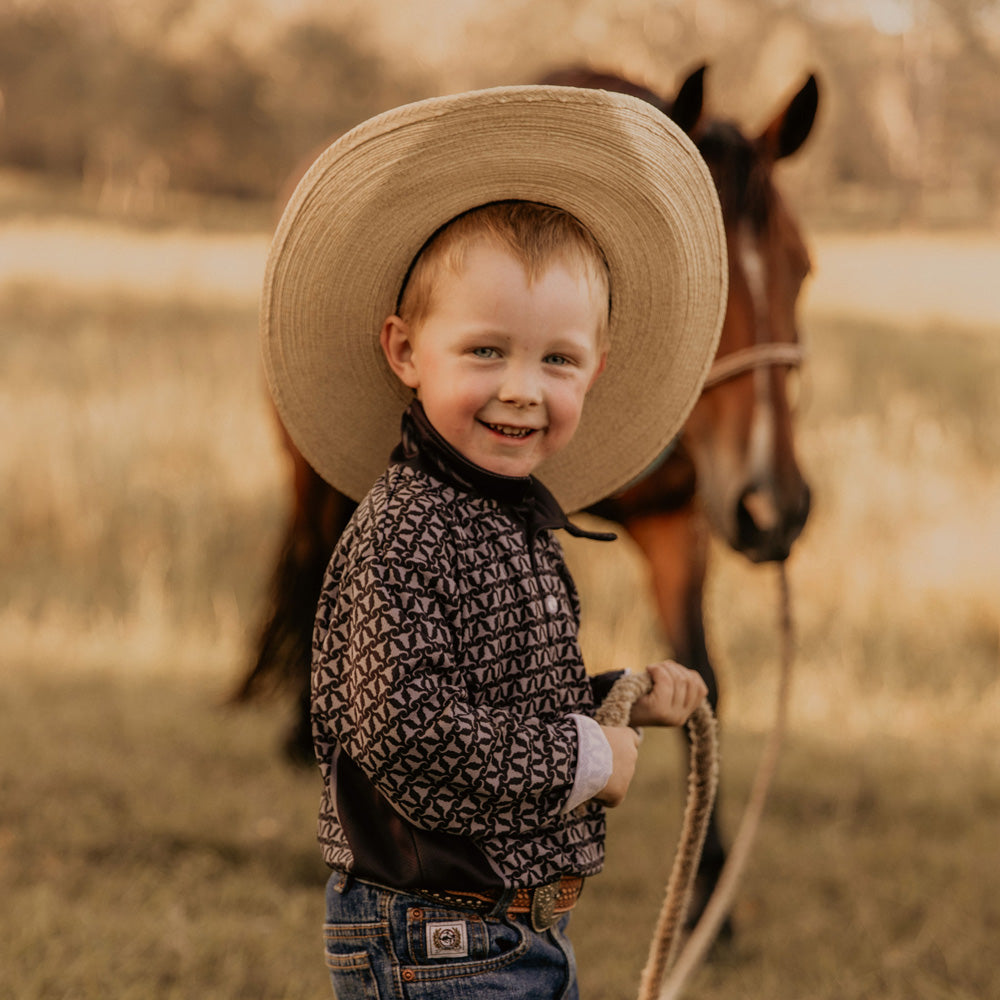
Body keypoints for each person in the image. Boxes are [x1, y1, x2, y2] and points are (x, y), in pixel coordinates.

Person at [261, 85, 728, 999]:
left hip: (503, 932)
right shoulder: (405, 530)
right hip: (434, 939)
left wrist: (615, 700)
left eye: (557, 359)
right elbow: (410, 730)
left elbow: (500, 705)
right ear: (405, 351)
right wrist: (588, 759)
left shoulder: (502, 517)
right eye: (485, 352)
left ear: (595, 368)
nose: (522, 389)